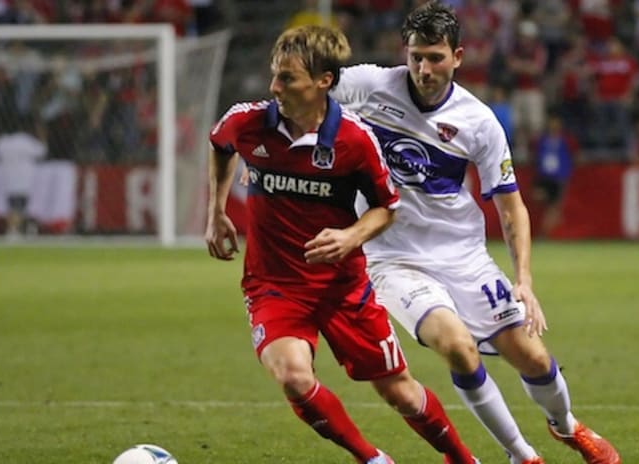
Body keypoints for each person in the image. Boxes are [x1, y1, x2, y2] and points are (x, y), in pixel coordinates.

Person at [330, 3, 621, 464]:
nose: (423, 68)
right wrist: (266, 150)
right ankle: (521, 455)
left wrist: (523, 280)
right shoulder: (369, 85)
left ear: (459, 56)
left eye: (435, 58)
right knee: (459, 349)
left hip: (462, 255)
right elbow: (309, 94)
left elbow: (511, 206)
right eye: (416, 57)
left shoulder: (479, 121)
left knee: (534, 359)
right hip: (392, 258)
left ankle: (567, 426)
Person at [205, 24, 480, 464]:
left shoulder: (353, 139)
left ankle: (465, 460)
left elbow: (386, 207)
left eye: (288, 78)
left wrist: (350, 236)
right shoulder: (247, 122)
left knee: (400, 393)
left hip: (343, 287)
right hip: (273, 284)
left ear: (323, 82)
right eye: (275, 75)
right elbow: (220, 145)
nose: (275, 86)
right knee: (293, 376)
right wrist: (216, 211)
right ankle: (372, 458)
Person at [0, 114, 47, 238]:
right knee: (20, 207)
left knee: (12, 206)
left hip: (8, 179)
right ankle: (13, 230)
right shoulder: (27, 141)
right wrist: (42, 134)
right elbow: (42, 151)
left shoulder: (3, 141)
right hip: (23, 181)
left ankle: (14, 229)